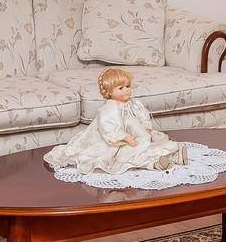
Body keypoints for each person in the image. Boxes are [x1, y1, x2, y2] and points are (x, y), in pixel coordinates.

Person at [45, 68, 182, 175]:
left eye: (128, 86)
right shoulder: (110, 107)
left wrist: (146, 127)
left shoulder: (133, 103)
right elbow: (108, 125)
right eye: (121, 88)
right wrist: (125, 137)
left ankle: (167, 157)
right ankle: (153, 163)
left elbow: (142, 115)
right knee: (124, 154)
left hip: (135, 134)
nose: (127, 90)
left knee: (149, 141)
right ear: (109, 92)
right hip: (116, 140)